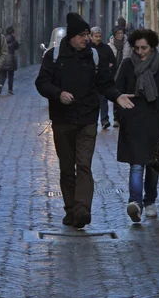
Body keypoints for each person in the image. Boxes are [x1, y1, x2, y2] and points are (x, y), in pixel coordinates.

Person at [35, 13, 134, 229]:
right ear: (71, 36)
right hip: (62, 120)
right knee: (66, 168)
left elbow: (105, 84)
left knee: (84, 166)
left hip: (88, 119)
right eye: (82, 35)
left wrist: (117, 96)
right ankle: (70, 209)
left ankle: (82, 210)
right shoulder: (53, 56)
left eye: (88, 34)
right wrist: (58, 93)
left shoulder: (94, 57)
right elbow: (41, 83)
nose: (86, 38)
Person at [115, 28, 159, 223]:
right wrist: (122, 115)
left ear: (152, 47)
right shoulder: (126, 65)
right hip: (133, 122)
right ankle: (135, 203)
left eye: (144, 48)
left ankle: (150, 200)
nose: (140, 52)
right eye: (137, 48)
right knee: (136, 165)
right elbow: (117, 92)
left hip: (156, 123)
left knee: (153, 166)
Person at [90, 26, 117, 129]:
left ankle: (104, 120)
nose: (98, 38)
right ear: (91, 36)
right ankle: (92, 121)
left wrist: (109, 72)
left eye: (99, 36)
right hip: (90, 80)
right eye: (96, 36)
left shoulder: (105, 48)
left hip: (103, 79)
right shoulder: (87, 48)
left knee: (103, 100)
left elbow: (113, 61)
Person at [109, 25, 131, 127]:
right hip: (114, 73)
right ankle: (116, 118)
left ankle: (125, 116)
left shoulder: (128, 44)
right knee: (116, 95)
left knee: (125, 94)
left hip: (125, 72)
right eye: (118, 33)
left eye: (121, 33)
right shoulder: (110, 45)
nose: (120, 35)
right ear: (114, 34)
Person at [0, 27, 19, 95]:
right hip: (11, 59)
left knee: (3, 75)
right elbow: (17, 47)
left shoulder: (3, 40)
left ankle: (0, 86)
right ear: (12, 32)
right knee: (10, 76)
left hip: (3, 59)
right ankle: (10, 89)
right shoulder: (14, 41)